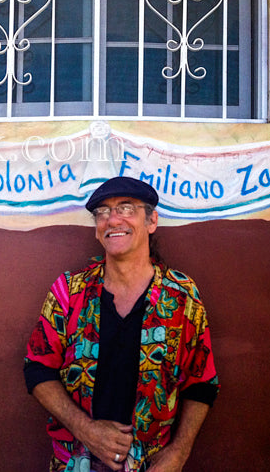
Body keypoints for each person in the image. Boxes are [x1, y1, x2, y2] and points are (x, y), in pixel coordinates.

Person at [24, 177, 218, 472]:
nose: (113, 219)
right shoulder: (69, 291)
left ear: (152, 220)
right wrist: (86, 430)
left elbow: (201, 383)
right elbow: (37, 367)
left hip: (151, 465)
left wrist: (179, 453)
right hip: (75, 463)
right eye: (102, 212)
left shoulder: (181, 296)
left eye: (126, 208)